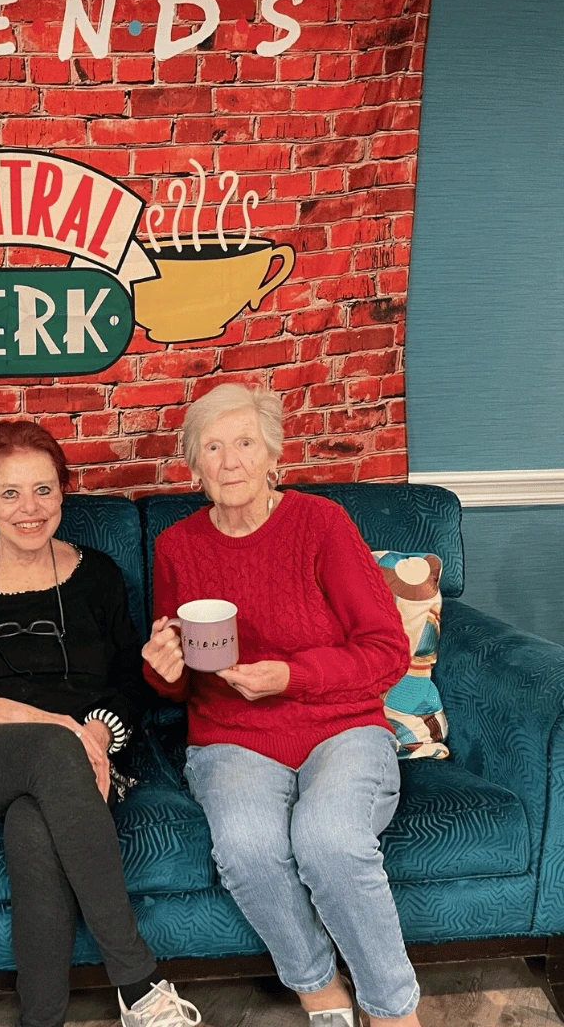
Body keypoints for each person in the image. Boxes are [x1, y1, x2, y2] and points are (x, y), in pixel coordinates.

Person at [142, 383, 419, 1027]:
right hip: (231, 736)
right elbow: (179, 681)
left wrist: (289, 676)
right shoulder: (178, 546)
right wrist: (162, 672)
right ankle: (318, 987)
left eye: (245, 442)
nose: (231, 460)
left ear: (274, 454)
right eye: (213, 447)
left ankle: (393, 1009)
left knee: (327, 839)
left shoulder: (321, 524)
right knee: (245, 845)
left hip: (341, 726)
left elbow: (385, 652)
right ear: (194, 466)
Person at [0, 420, 200, 1027]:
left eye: (43, 490)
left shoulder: (97, 575)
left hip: (86, 757)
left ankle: (41, 1016)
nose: (29, 508)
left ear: (65, 491)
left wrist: (93, 733)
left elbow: (128, 683)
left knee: (33, 823)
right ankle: (139, 983)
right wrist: (57, 729)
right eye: (10, 493)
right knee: (49, 750)